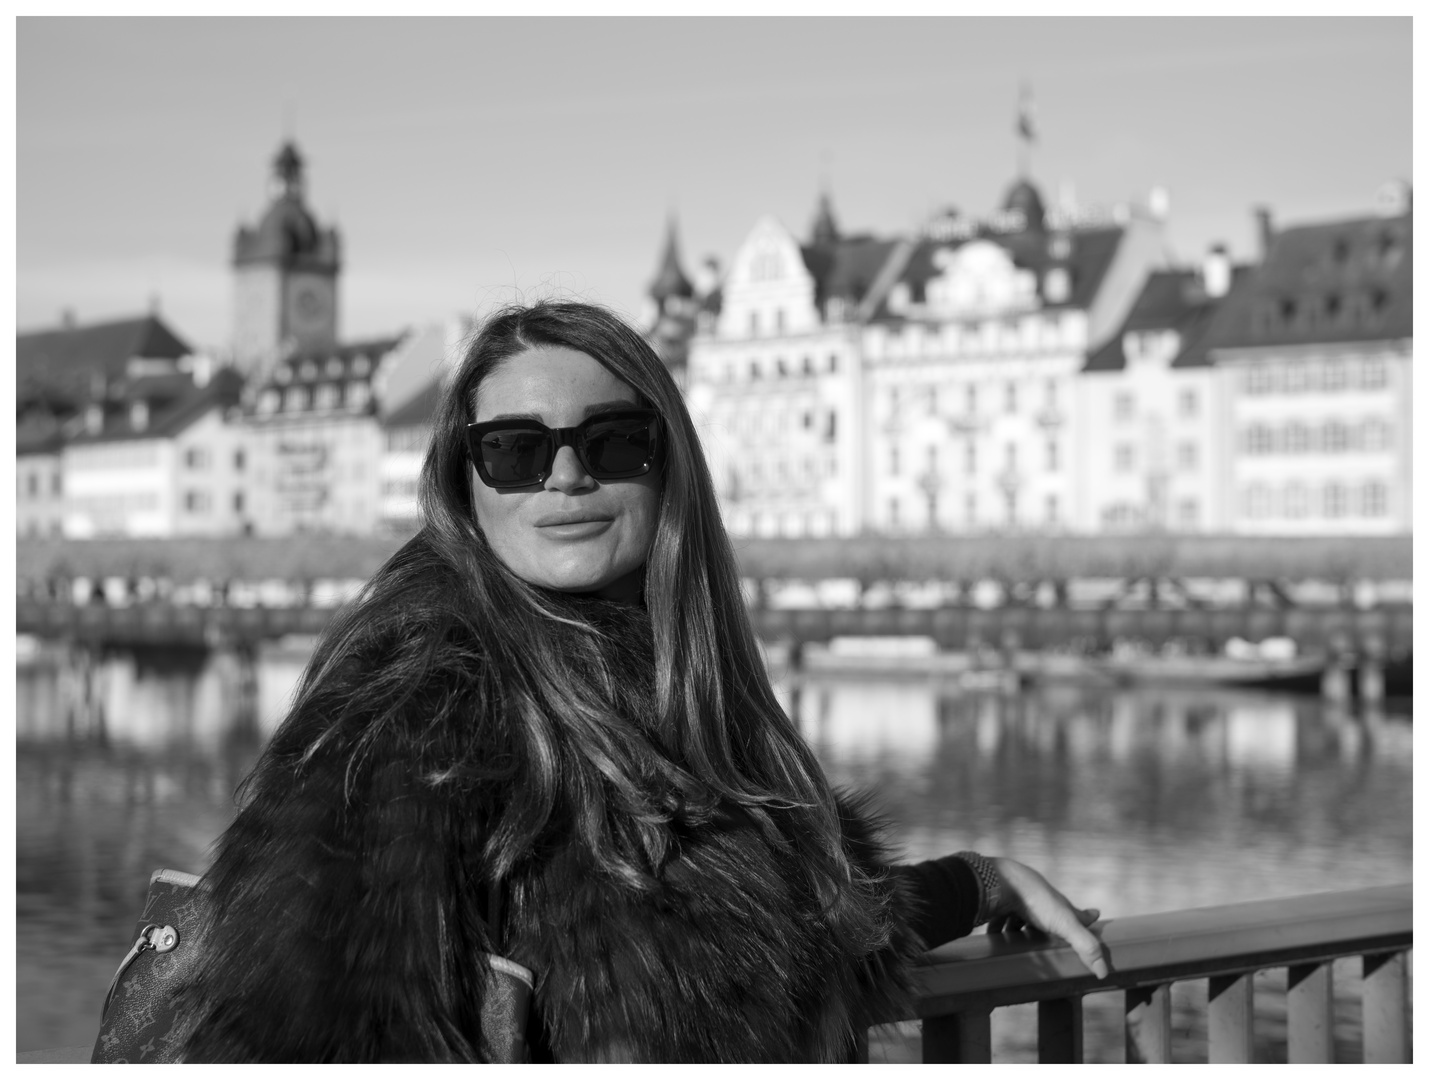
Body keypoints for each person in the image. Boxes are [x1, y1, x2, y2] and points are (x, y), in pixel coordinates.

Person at [174, 300, 1106, 1063]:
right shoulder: (414, 712)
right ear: (464, 484)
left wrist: (980, 884)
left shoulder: (676, 699)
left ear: (669, 470)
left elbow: (803, 942)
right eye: (514, 450)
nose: (567, 475)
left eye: (615, 442)